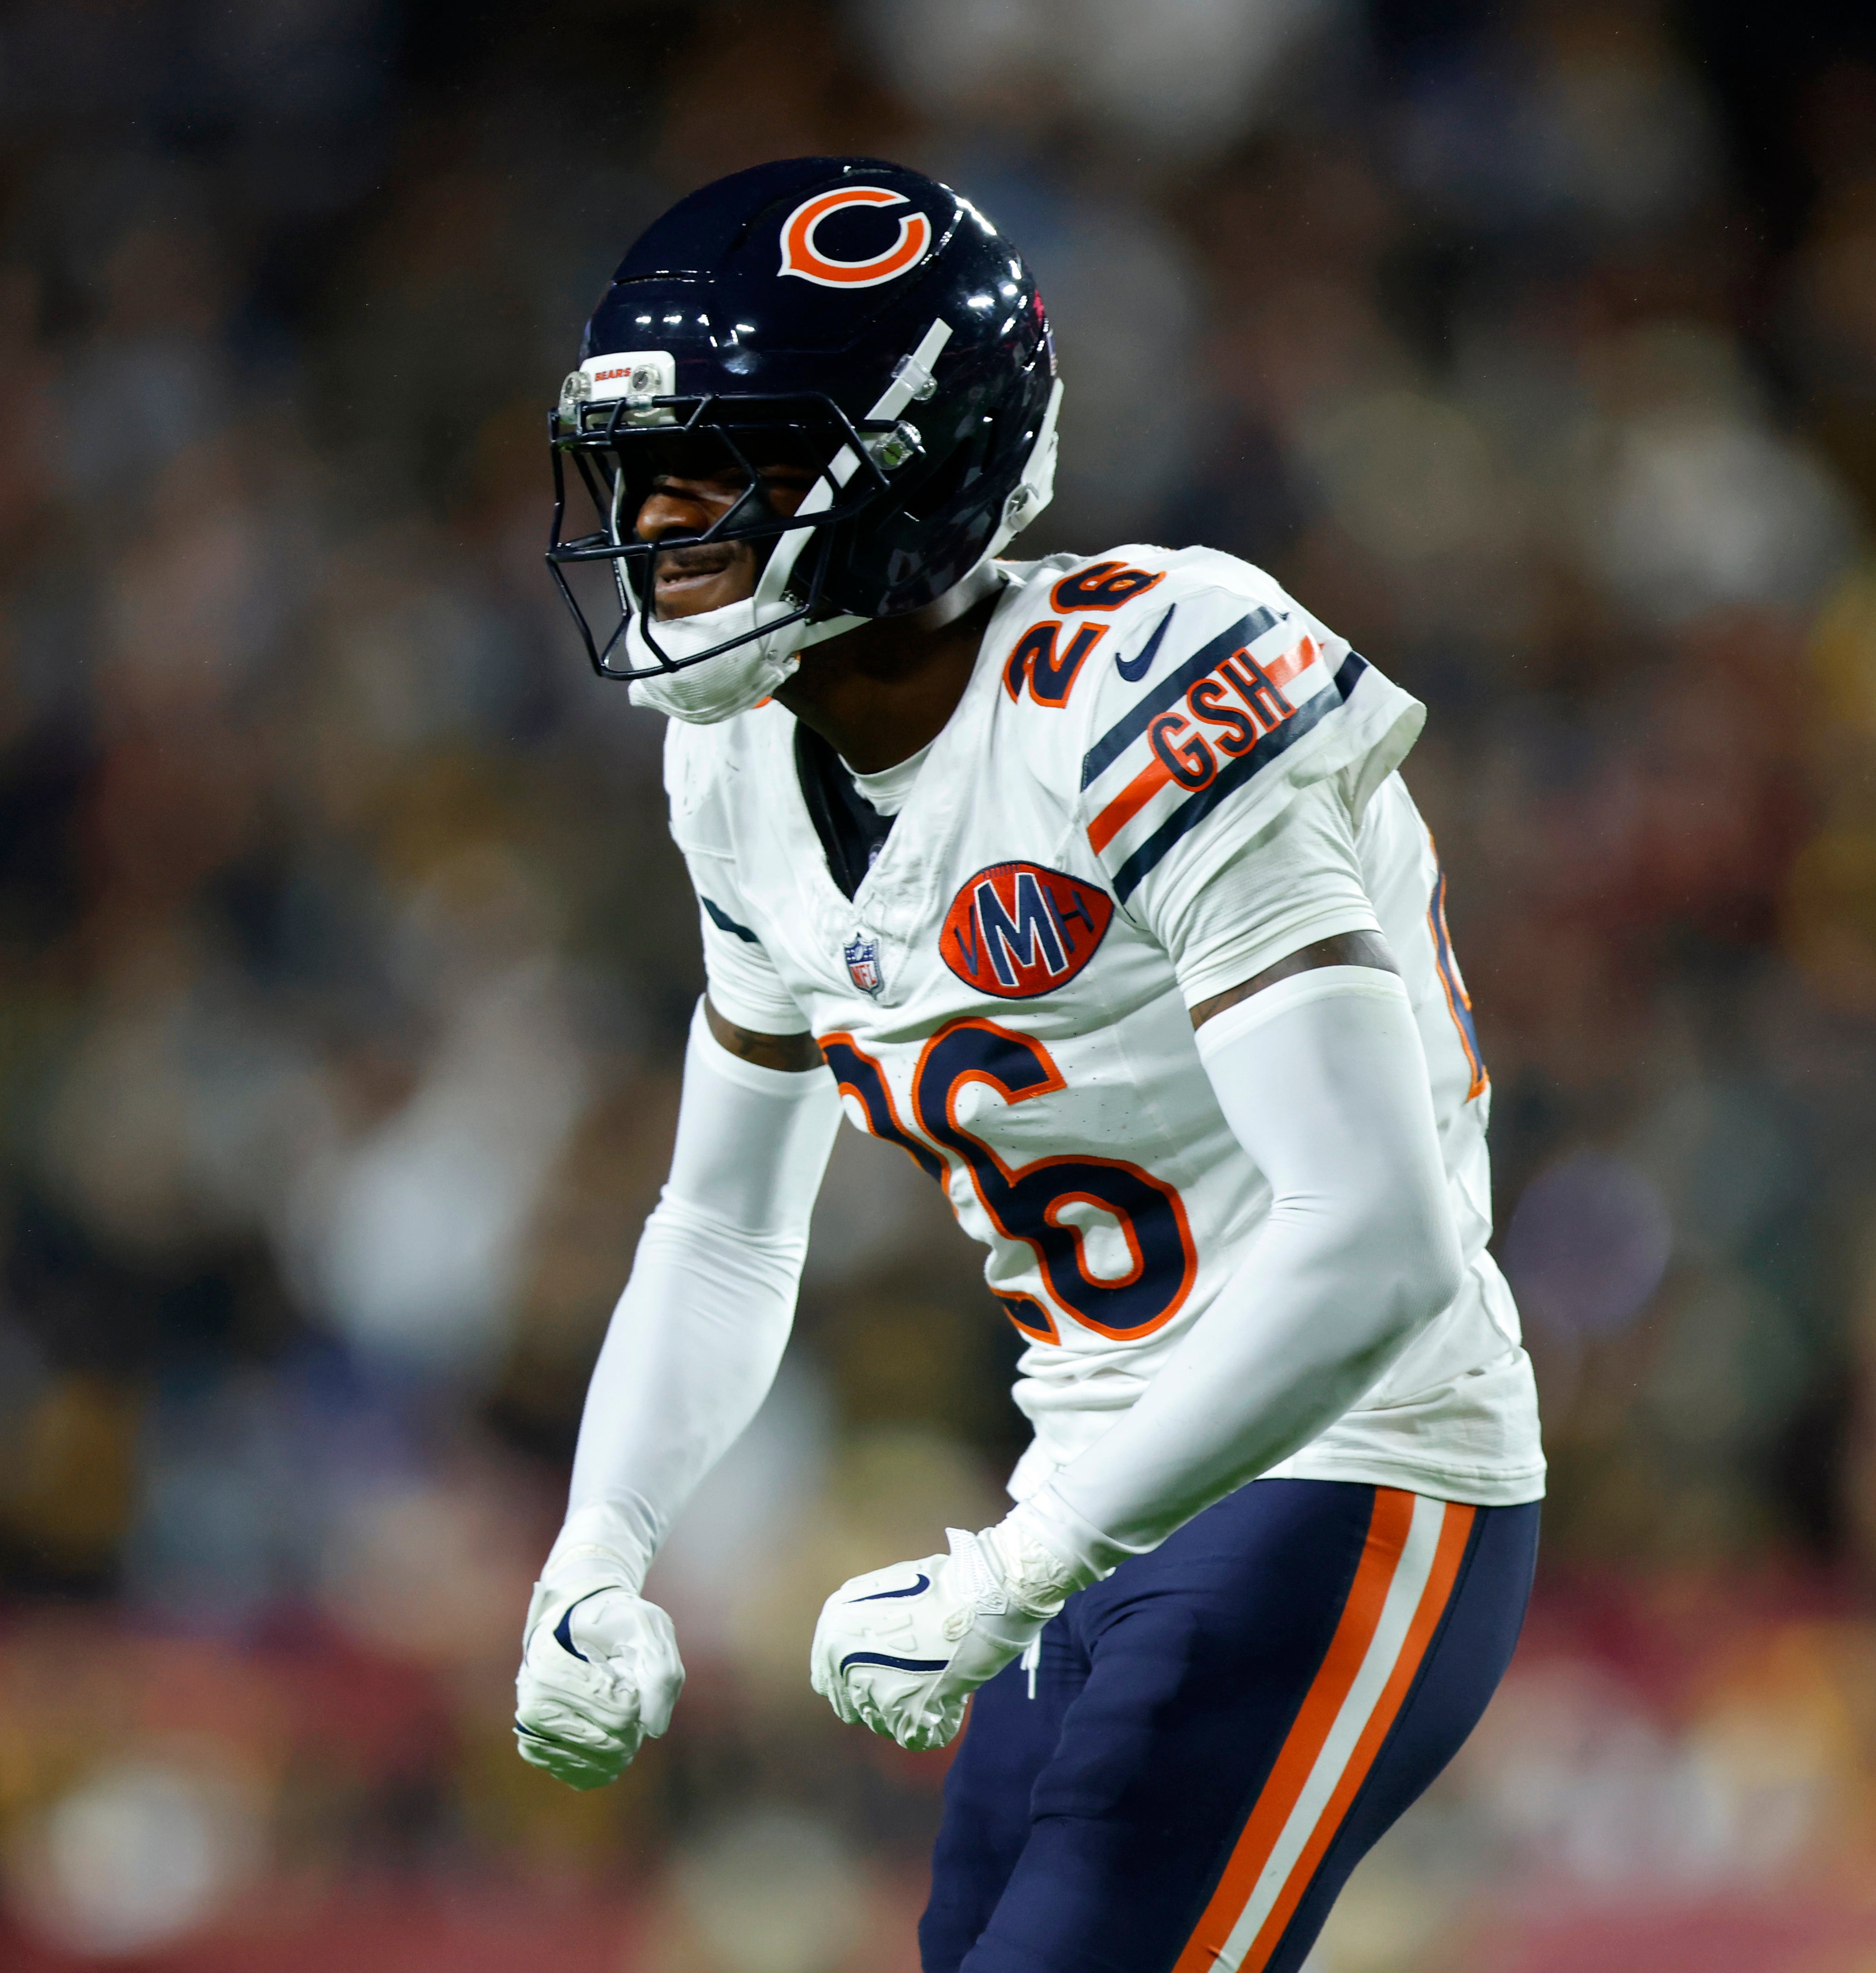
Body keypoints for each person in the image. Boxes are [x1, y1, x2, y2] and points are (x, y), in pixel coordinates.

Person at [511, 157, 1544, 1973]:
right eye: (642, 468)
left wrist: (1020, 1556)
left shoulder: (1133, 679)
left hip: (1358, 1462)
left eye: (725, 460)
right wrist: (596, 1546)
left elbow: (1381, 1237)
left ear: (913, 462)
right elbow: (726, 1220)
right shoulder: (740, 765)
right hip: (1100, 1493)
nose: (661, 514)